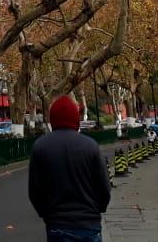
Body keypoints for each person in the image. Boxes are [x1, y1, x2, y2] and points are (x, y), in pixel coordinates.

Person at [29, 95, 111, 241]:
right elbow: (104, 187)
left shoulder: (40, 147)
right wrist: (97, 209)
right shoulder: (91, 146)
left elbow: (35, 190)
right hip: (89, 224)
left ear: (53, 119)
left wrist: (46, 214)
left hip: (57, 224)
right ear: (75, 119)